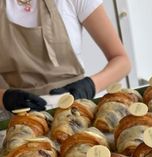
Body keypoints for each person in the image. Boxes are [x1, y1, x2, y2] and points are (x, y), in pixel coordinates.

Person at [0, 0, 131, 112]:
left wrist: (89, 86)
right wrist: (4, 98)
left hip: (75, 111)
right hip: (16, 119)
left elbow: (122, 61)